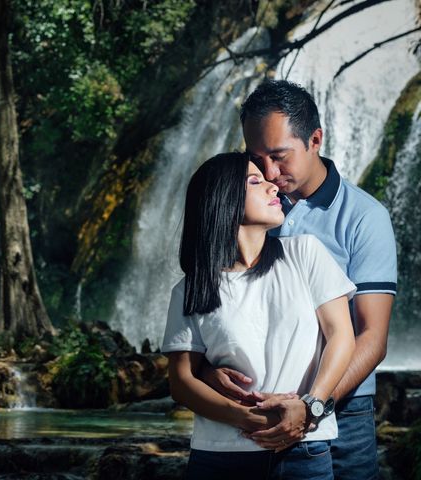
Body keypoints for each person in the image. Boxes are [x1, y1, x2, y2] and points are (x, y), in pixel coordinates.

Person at [201, 80, 397, 479]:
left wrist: (312, 406)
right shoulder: (246, 208)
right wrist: (207, 372)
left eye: (279, 156)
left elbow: (372, 339)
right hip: (253, 411)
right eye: (256, 159)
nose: (269, 173)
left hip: (343, 408)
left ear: (315, 139)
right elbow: (214, 309)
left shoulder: (365, 218)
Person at [163, 152, 356, 479]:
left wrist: (310, 407)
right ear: (224, 200)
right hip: (219, 454)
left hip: (304, 447)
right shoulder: (191, 289)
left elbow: (342, 336)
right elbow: (182, 382)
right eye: (256, 182)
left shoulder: (305, 253)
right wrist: (246, 419)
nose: (274, 188)